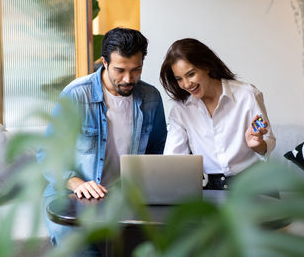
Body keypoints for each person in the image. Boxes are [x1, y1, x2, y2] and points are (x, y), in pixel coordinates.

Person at [41, 27, 167, 253]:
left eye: (136, 69)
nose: (129, 79)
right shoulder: (77, 95)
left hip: (124, 197)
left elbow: (158, 150)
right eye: (120, 70)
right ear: (104, 62)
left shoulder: (150, 98)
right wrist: (77, 183)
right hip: (71, 194)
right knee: (79, 247)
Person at [160, 38, 276, 190]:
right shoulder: (181, 111)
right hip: (210, 187)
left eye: (191, 74)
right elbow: (172, 159)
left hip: (254, 183)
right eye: (179, 79)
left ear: (206, 66)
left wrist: (258, 145)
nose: (187, 84)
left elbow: (268, 141)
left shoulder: (248, 95)